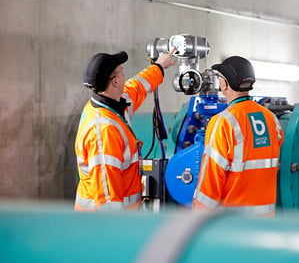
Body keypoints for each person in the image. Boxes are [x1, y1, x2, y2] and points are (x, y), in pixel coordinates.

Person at [74, 49, 176, 211]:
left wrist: (159, 67)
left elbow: (137, 87)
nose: (125, 76)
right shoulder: (104, 132)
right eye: (121, 72)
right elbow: (107, 201)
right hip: (101, 227)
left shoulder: (114, 102)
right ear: (115, 81)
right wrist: (121, 233)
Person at [192, 56, 284, 216]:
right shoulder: (271, 118)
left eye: (219, 78)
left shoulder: (223, 122)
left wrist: (196, 220)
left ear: (224, 84)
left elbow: (210, 181)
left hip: (233, 226)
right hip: (266, 223)